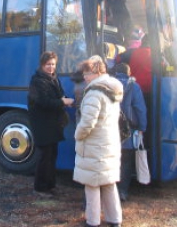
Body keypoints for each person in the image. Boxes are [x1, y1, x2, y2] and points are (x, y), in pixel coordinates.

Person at [73, 55, 123, 227]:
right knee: (109, 183)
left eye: (87, 73)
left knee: (92, 184)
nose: (84, 77)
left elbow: (87, 122)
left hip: (95, 146)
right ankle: (114, 219)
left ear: (96, 72)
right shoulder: (112, 90)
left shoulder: (94, 93)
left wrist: (77, 135)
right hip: (109, 143)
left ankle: (92, 221)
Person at [28, 51, 74, 197]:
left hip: (53, 123)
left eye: (53, 64)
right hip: (43, 124)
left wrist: (66, 100)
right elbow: (43, 102)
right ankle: (40, 188)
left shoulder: (54, 78)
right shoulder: (37, 81)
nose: (51, 67)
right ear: (42, 65)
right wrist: (62, 102)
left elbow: (60, 94)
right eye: (48, 64)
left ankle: (50, 185)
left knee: (52, 155)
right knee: (44, 157)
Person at [113, 63, 147, 202]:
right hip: (128, 129)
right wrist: (142, 127)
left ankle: (111, 190)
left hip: (111, 128)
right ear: (129, 72)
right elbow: (140, 109)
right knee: (126, 161)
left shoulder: (109, 85)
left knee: (112, 160)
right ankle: (122, 191)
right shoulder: (134, 86)